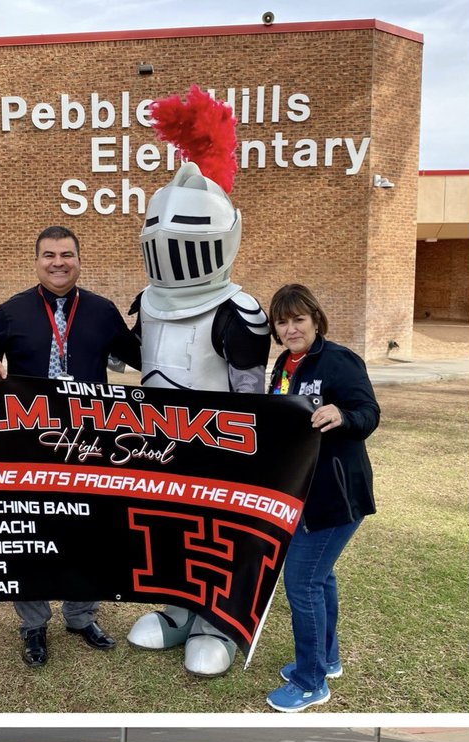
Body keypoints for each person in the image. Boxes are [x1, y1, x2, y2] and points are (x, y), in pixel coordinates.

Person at [125, 88, 271, 678]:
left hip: (220, 447)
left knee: (219, 534)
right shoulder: (147, 301)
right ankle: (177, 607)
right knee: (165, 529)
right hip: (157, 440)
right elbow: (140, 360)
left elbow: (251, 392)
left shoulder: (240, 310)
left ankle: (218, 620)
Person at [0, 225, 141, 667]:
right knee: (31, 535)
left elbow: (145, 357)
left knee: (88, 531)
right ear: (36, 261)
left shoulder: (102, 310)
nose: (58, 262)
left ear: (79, 260)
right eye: (49, 255)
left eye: (66, 254)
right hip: (30, 445)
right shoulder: (12, 311)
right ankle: (33, 625)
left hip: (90, 444)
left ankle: (81, 617)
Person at [265, 283, 379, 713]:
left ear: (315, 320)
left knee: (303, 582)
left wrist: (342, 414)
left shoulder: (339, 361)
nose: (291, 328)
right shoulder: (283, 363)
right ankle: (327, 660)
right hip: (300, 493)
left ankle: (310, 682)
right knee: (321, 578)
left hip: (335, 495)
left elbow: (369, 414)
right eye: (283, 321)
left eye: (299, 319)